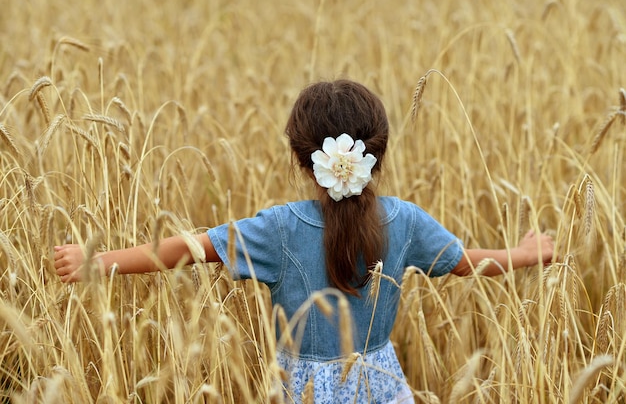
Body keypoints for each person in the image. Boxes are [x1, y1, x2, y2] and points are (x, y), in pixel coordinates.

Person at [53, 80, 554, 403]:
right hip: (382, 385)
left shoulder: (277, 229)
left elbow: (188, 248)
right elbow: (466, 263)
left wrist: (97, 260)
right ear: (375, 156)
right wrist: (527, 254)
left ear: (300, 158)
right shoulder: (406, 220)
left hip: (305, 391)